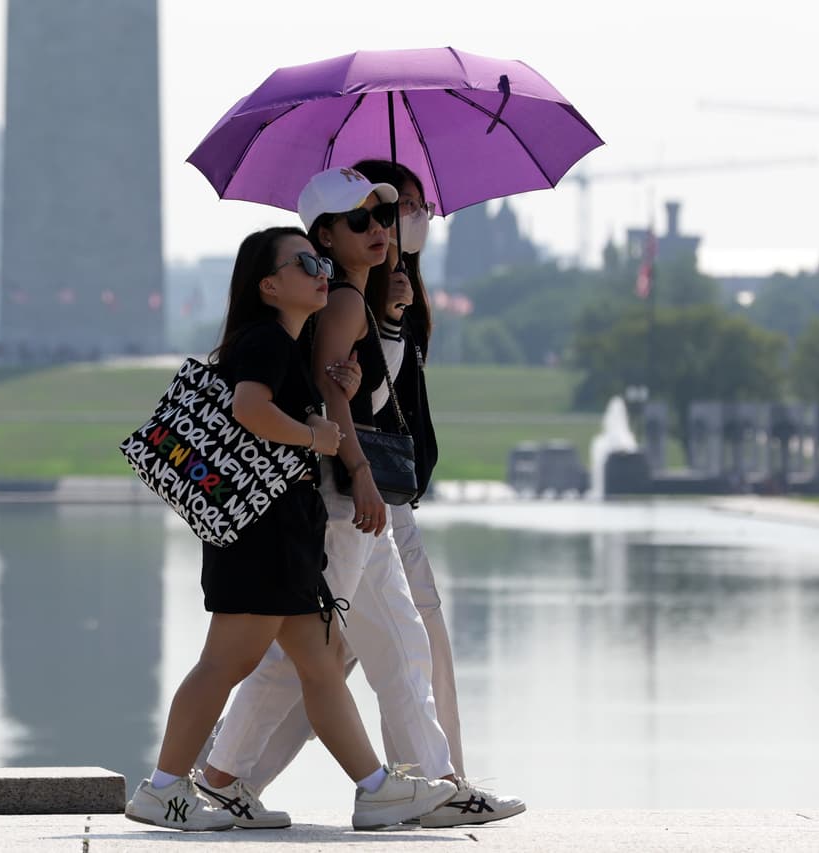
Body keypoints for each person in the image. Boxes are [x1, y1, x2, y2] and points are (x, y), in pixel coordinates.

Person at [197, 167, 525, 828]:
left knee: (398, 646)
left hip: (355, 506)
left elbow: (356, 389)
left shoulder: (357, 300)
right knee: (307, 656)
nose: (381, 228)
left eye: (385, 216)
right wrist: (362, 471)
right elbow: (333, 402)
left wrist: (395, 316)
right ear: (324, 235)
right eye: (362, 221)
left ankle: (428, 782)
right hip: (348, 503)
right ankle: (219, 775)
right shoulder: (343, 302)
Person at [123, 226, 456, 832]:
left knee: (318, 670)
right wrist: (317, 436)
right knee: (223, 665)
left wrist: (340, 396)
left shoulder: (285, 343)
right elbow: (250, 410)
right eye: (305, 261)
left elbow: (276, 407)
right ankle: (164, 788)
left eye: (321, 260)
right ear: (270, 285)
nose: (320, 269)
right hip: (261, 535)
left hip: (280, 534)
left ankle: (376, 788)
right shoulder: (266, 341)